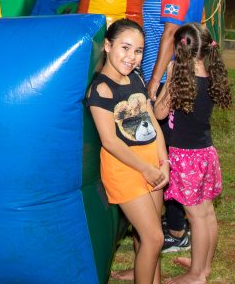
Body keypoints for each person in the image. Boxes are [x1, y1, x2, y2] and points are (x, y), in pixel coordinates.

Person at [86, 19, 169, 284]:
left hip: (151, 164)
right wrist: (144, 168)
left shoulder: (135, 77)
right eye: (125, 48)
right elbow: (110, 141)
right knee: (154, 237)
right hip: (125, 169)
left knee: (149, 235)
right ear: (108, 46)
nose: (131, 57)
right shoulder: (101, 89)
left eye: (138, 51)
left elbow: (152, 122)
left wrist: (163, 160)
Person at [145, 0, 210, 254]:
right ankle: (177, 226)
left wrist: (155, 81)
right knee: (175, 146)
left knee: (168, 150)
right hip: (186, 71)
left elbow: (171, 34)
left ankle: (175, 229)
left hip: (175, 74)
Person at [153, 23, 230, 284]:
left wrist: (167, 77)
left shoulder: (179, 75)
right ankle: (203, 266)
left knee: (195, 217)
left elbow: (160, 113)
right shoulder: (211, 72)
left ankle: (197, 275)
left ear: (180, 49)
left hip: (186, 157)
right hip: (205, 153)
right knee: (206, 213)